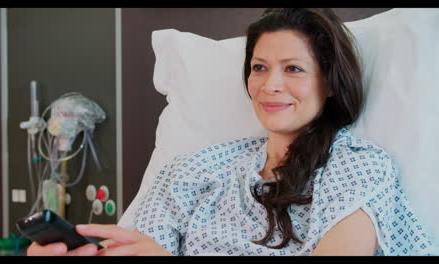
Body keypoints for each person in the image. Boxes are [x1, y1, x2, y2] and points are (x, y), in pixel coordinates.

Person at [27, 8, 435, 256]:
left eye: (293, 68)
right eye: (259, 67)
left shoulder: (356, 167)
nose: (269, 85)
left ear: (329, 83)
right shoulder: (195, 170)